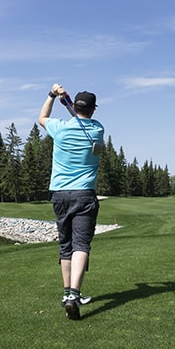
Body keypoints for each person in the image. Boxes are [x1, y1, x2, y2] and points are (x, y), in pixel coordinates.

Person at [38, 83, 104, 320]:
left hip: (59, 195)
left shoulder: (60, 129)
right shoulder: (97, 129)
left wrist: (53, 95)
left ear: (75, 106)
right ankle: (74, 294)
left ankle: (67, 293)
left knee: (65, 246)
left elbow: (42, 117)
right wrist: (68, 100)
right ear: (94, 110)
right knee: (81, 245)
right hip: (84, 194)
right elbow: (82, 117)